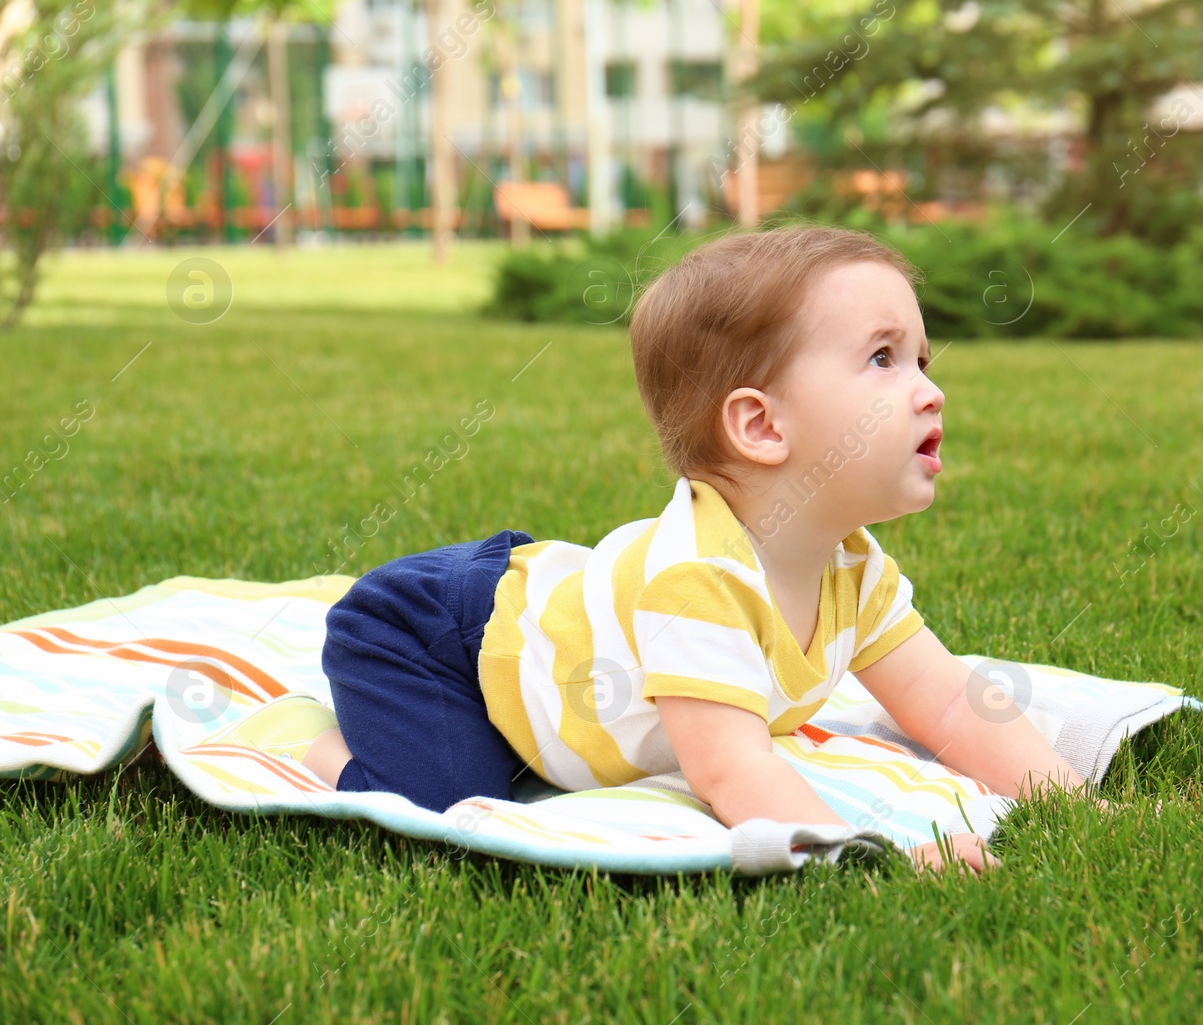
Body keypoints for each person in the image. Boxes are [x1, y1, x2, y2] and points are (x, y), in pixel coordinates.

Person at [215, 223, 1111, 874]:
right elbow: (731, 768)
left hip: (536, 605)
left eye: (923, 358)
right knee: (458, 803)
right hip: (431, 633)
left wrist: (1076, 802)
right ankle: (317, 746)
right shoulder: (700, 580)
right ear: (761, 425)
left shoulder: (853, 565)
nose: (929, 390)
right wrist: (879, 856)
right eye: (884, 358)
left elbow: (950, 705)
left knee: (530, 759)